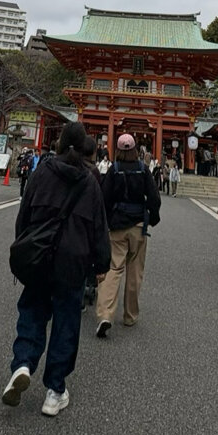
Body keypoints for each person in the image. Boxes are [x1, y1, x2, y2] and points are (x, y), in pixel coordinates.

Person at [2, 122, 110, 417]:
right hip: (73, 262)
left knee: (32, 311)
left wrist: (23, 247)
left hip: (40, 256)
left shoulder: (43, 172)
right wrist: (101, 264)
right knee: (66, 323)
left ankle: (23, 363)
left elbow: (25, 214)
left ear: (60, 143)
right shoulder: (90, 181)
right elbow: (99, 227)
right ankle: (55, 391)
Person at [95, 133, 161, 338]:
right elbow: (154, 197)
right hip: (138, 225)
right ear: (134, 149)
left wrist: (105, 222)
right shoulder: (143, 169)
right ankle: (130, 315)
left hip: (117, 226)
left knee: (113, 269)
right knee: (135, 272)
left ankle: (105, 314)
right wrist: (153, 218)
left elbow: (104, 198)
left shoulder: (114, 169)